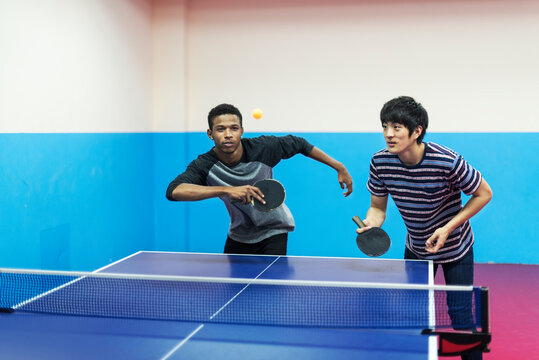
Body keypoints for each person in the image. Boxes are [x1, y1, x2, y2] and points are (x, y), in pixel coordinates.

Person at [356, 96, 492, 360]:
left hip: (456, 249)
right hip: (417, 249)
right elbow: (378, 208)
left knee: (461, 317)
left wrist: (447, 228)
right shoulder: (380, 162)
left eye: (396, 127)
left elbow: (484, 193)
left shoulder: (447, 161)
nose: (388, 134)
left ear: (417, 131)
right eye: (385, 126)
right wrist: (371, 224)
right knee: (415, 316)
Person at [166, 103, 353, 255]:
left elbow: (300, 144)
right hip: (239, 234)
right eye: (221, 129)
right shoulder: (205, 165)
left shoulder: (263, 148)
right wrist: (226, 190)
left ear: (242, 131)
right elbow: (174, 190)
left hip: (273, 230)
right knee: (234, 290)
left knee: (270, 292)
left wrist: (339, 166)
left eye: (234, 128)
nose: (228, 134)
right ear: (210, 134)